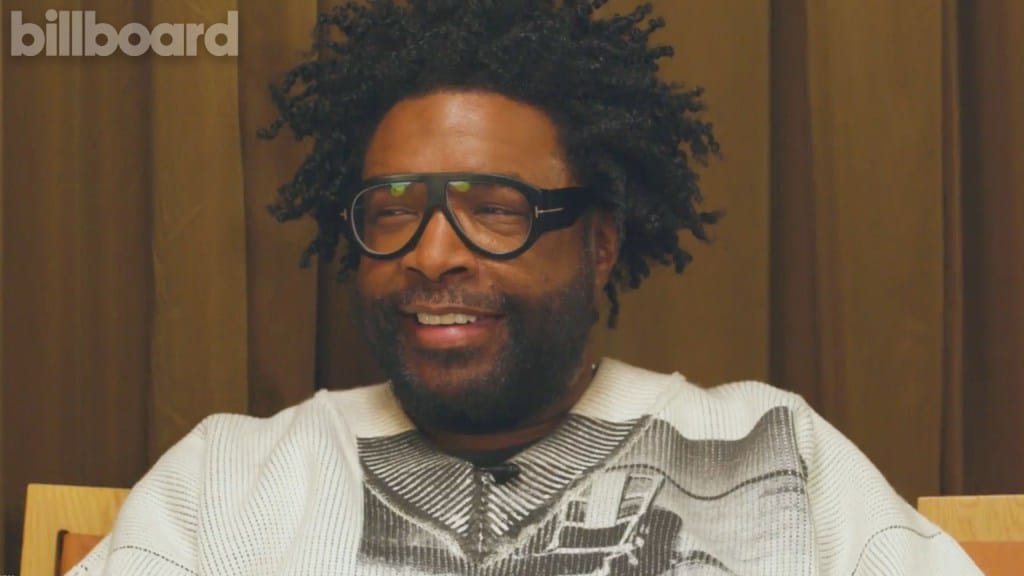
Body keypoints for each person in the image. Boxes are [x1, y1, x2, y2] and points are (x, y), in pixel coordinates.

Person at [70, 1, 980, 574]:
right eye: (393, 211)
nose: (432, 254)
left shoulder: (770, 448)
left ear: (600, 245)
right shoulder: (225, 479)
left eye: (495, 211)